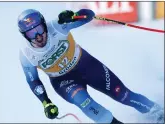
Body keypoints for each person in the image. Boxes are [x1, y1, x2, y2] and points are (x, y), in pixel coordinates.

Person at [18, 9, 164, 123]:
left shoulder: (57, 26)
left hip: (86, 65)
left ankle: (159, 114)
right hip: (64, 82)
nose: (38, 36)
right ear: (25, 35)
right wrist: (46, 103)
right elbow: (33, 81)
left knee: (122, 95)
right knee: (86, 104)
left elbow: (89, 15)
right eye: (31, 32)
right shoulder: (26, 55)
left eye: (39, 29)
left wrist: (74, 15)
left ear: (44, 24)